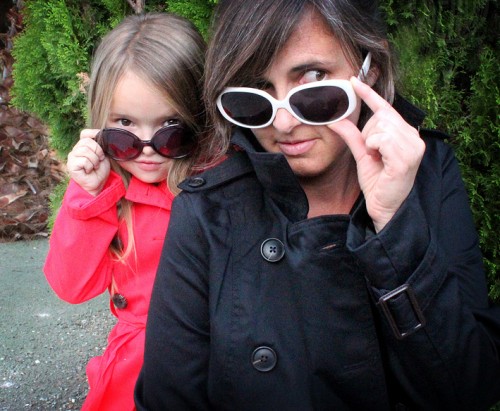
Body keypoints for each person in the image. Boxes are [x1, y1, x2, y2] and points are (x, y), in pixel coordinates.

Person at [135, 1, 500, 410]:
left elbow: (470, 388)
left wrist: (394, 225)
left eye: (313, 79)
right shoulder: (207, 212)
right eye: (257, 90)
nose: (283, 123)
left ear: (370, 69)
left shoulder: (429, 173)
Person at [43, 12, 205, 410]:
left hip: (208, 364)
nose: (147, 146)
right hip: (133, 370)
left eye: (170, 123)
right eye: (125, 124)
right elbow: (72, 287)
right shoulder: (109, 192)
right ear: (101, 121)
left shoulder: (218, 188)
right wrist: (88, 195)